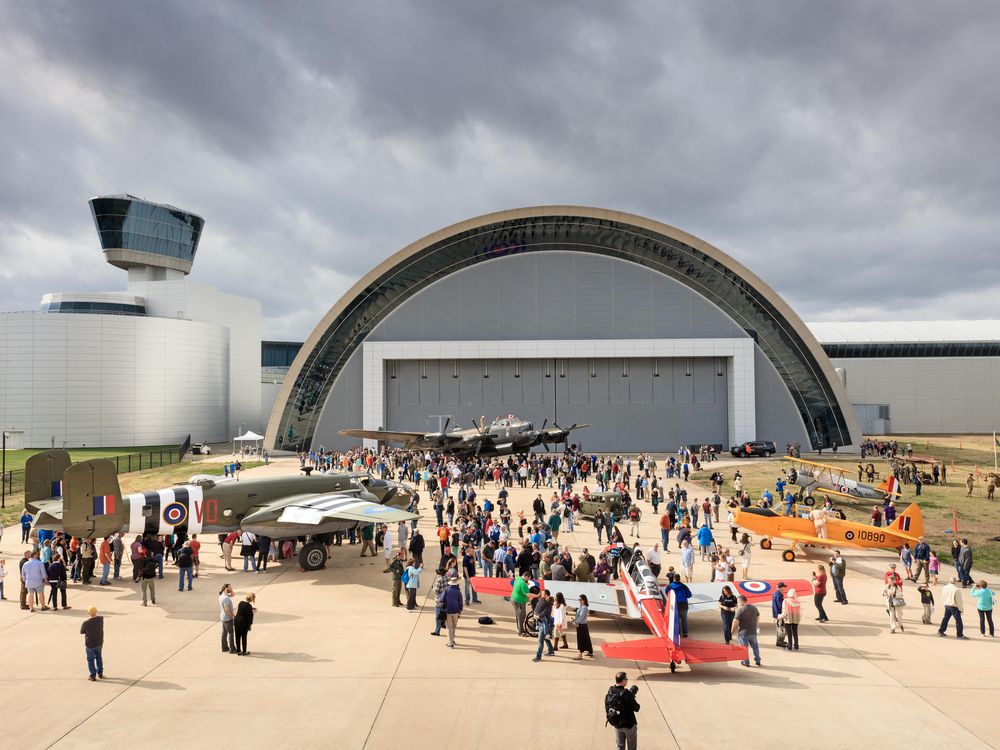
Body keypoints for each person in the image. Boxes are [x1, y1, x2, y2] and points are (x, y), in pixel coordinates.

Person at [605, 671, 640, 750]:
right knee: (632, 747)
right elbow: (636, 708)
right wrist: (632, 697)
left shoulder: (610, 690)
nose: (627, 680)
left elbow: (607, 705)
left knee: (619, 747)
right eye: (626, 679)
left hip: (616, 725)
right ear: (623, 680)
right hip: (629, 726)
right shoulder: (626, 693)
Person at [733, 594, 761, 667]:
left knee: (744, 648)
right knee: (755, 646)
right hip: (753, 631)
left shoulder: (740, 610)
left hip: (743, 632)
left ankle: (746, 662)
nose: (738, 604)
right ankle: (758, 660)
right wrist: (756, 625)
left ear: (741, 601)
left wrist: (732, 630)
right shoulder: (754, 608)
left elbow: (735, 621)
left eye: (738, 602)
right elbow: (758, 616)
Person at [80, 606, 105, 681]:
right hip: (99, 642)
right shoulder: (100, 619)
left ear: (88, 613)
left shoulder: (86, 622)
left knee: (90, 660)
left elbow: (81, 631)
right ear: (96, 611)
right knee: (99, 657)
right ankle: (100, 673)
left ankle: (92, 675)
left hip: (90, 644)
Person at [532, 591, 556, 661]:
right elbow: (537, 608)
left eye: (543, 593)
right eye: (542, 593)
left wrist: (538, 616)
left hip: (544, 624)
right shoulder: (542, 600)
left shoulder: (548, 604)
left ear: (547, 595)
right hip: (540, 622)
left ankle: (538, 657)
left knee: (540, 641)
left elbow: (544, 612)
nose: (542, 594)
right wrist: (535, 614)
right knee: (545, 638)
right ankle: (551, 651)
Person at [442, 574, 463, 648]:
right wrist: (460, 610)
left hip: (448, 611)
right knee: (454, 627)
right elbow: (460, 602)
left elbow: (441, 600)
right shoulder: (458, 592)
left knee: (449, 627)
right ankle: (452, 640)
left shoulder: (446, 590)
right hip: (456, 611)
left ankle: (450, 642)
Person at [572, 594, 594, 660]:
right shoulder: (582, 607)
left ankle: (580, 655)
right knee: (586, 639)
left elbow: (581, 617)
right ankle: (590, 651)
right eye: (579, 600)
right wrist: (574, 620)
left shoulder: (584, 608)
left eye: (580, 600)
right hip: (583, 625)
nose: (579, 601)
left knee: (581, 640)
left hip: (581, 625)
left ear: (584, 600)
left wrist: (575, 622)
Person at [511, 570, 531, 636]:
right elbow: (528, 594)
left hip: (514, 599)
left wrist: (526, 582)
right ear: (526, 577)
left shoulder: (518, 578)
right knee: (521, 615)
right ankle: (521, 631)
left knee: (518, 614)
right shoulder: (523, 584)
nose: (528, 580)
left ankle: (519, 628)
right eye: (528, 578)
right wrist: (537, 595)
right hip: (519, 601)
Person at [219, 583, 238, 653]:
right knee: (231, 633)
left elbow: (233, 595)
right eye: (230, 587)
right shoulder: (226, 598)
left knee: (224, 633)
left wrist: (231, 590)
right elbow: (227, 610)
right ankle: (232, 649)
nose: (231, 588)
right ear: (226, 589)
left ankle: (224, 648)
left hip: (223, 617)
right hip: (227, 618)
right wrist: (233, 617)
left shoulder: (222, 596)